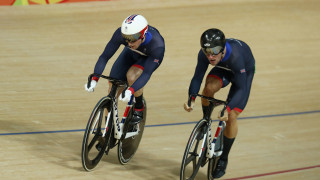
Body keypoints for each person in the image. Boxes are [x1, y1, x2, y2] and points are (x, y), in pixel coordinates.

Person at [184, 28, 255, 178]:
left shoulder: (236, 57)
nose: (210, 55)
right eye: (207, 50)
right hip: (223, 68)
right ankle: (205, 121)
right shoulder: (206, 55)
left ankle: (223, 158)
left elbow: (241, 88)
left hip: (243, 73)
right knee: (208, 88)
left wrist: (227, 109)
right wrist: (191, 98)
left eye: (215, 51)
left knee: (231, 116)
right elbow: (197, 77)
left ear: (222, 49)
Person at [85, 14, 165, 124]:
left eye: (132, 40)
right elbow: (104, 57)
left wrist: (130, 91)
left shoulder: (157, 45)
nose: (129, 43)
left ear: (143, 35)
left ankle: (138, 107)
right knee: (113, 87)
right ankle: (108, 130)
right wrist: (95, 78)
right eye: (126, 39)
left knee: (132, 77)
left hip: (148, 59)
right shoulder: (124, 36)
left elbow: (146, 74)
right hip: (131, 53)